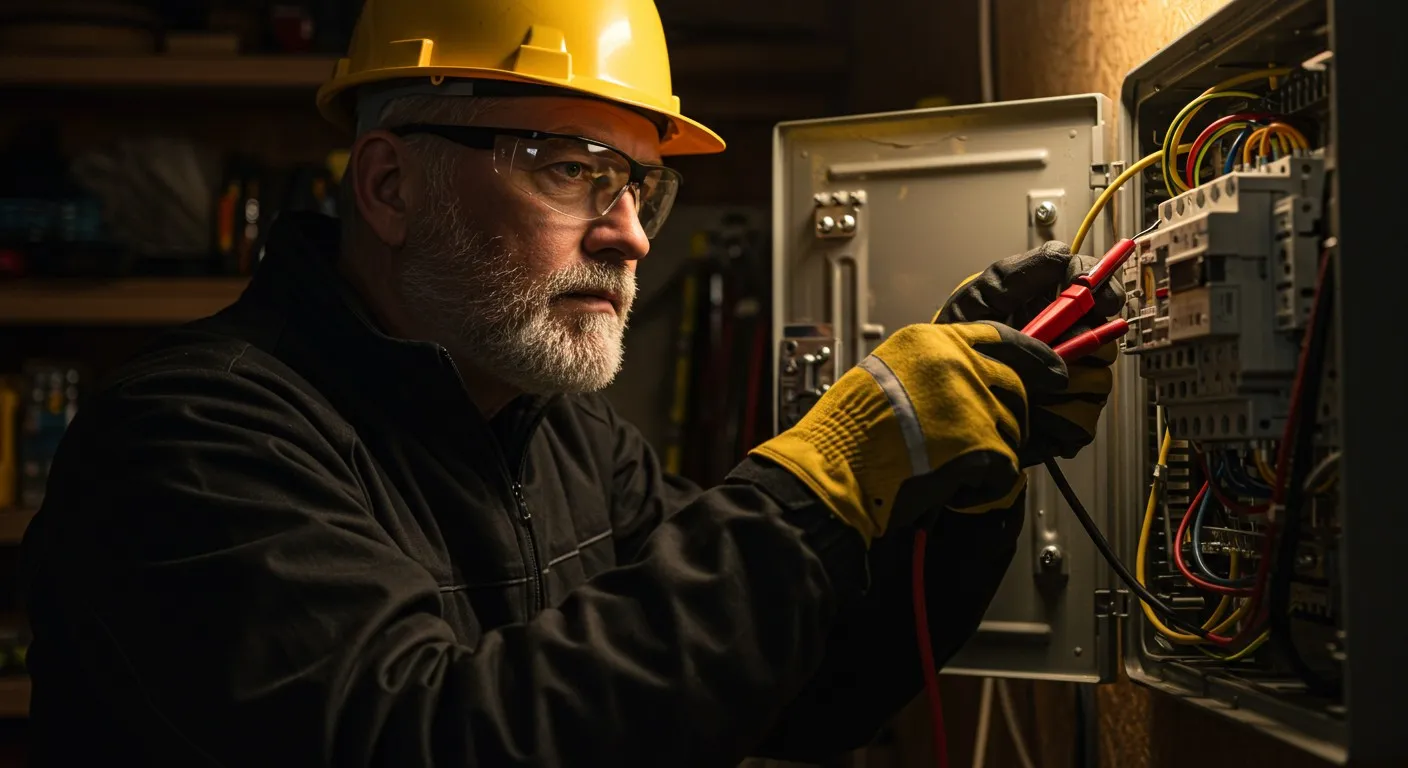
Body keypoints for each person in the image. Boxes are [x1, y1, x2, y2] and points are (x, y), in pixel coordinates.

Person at [19, 0, 1124, 765]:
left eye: (640, 183)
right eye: (570, 170)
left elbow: (807, 690)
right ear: (393, 185)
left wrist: (965, 467)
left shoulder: (561, 440)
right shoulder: (191, 443)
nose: (633, 234)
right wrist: (816, 483)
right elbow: (440, 745)